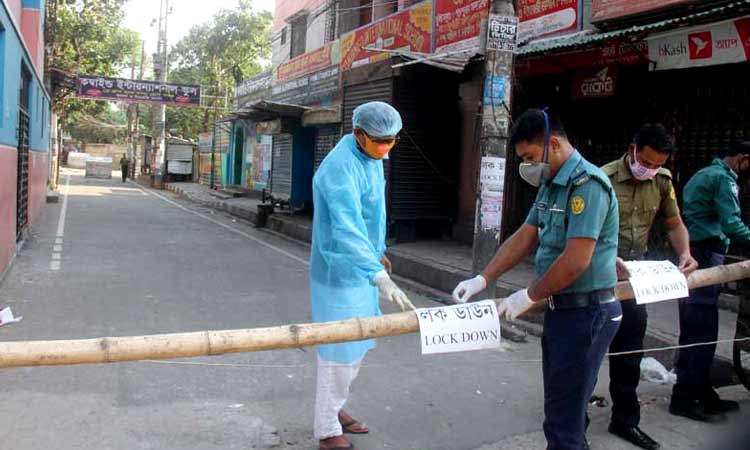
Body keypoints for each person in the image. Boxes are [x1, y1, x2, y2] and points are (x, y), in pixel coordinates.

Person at [453, 109, 622, 450]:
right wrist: (483, 279)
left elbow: (576, 261)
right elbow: (525, 236)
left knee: (564, 418)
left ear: (554, 144)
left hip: (586, 314)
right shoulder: (552, 184)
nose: (527, 167)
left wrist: (528, 295)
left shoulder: (587, 186)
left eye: (530, 157)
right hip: (563, 312)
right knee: (563, 410)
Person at [310, 101, 414, 450]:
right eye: (380, 141)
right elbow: (347, 225)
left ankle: (335, 408)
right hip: (339, 270)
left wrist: (378, 253)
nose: (386, 148)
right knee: (338, 352)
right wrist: (375, 272)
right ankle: (326, 430)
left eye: (392, 141)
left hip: (364, 268)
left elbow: (373, 211)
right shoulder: (339, 167)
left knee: (358, 345)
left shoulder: (371, 157)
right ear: (359, 134)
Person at [600, 124, 698, 450]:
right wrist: (605, 256)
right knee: (586, 347)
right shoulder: (602, 178)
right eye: (646, 161)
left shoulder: (662, 182)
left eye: (658, 164)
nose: (650, 169)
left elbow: (674, 224)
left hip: (636, 278)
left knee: (629, 350)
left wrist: (684, 253)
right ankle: (572, 416)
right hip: (597, 273)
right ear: (632, 149)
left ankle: (625, 421)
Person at [670, 141, 750, 422]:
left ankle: (701, 391)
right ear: (743, 159)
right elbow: (731, 224)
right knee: (701, 330)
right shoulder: (723, 179)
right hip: (704, 254)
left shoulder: (703, 174)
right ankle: (686, 397)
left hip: (693, 253)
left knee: (695, 328)